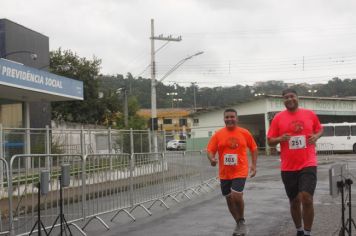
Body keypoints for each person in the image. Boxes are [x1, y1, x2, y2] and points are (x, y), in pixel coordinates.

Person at [267, 89, 323, 236]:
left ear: (298, 98)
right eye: (286, 97)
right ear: (283, 100)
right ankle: (299, 230)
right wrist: (280, 139)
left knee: (307, 198)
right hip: (288, 166)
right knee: (294, 201)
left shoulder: (309, 114)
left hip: (308, 162)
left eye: (292, 96)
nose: (289, 99)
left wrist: (316, 136)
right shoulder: (278, 118)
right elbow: (270, 141)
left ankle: (308, 232)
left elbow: (320, 129)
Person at [207, 108, 258, 236]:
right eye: (227, 117)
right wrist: (212, 159)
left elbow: (254, 148)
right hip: (224, 172)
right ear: (224, 119)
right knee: (229, 199)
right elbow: (210, 150)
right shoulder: (218, 134)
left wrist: (254, 165)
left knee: (236, 195)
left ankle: (241, 221)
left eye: (232, 117)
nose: (229, 119)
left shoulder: (244, 132)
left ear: (237, 118)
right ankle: (239, 223)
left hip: (240, 170)